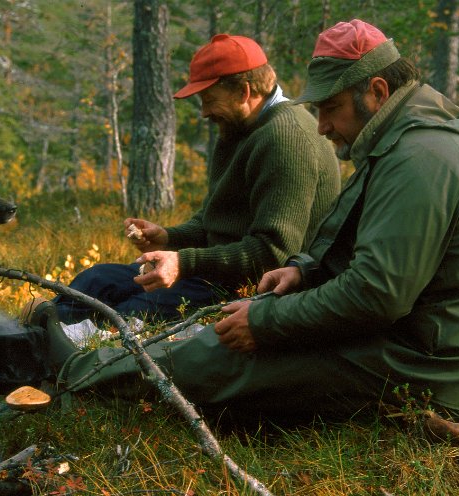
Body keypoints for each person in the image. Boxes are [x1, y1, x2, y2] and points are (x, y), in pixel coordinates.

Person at [35, 19, 459, 430]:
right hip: (434, 341)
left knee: (214, 359)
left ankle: (74, 369)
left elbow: (378, 293)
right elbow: (362, 244)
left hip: (431, 363)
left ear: (377, 92)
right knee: (212, 341)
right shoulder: (406, 145)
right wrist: (304, 273)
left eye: (331, 108)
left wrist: (266, 322)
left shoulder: (421, 159)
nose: (321, 126)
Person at [51, 34, 340, 324]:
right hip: (215, 274)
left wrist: (183, 263)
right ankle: (40, 330)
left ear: (244, 91)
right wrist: (168, 237)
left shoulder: (286, 139)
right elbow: (215, 221)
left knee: (128, 314)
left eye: (209, 100)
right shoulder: (240, 127)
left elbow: (272, 254)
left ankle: (45, 340)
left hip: (250, 290)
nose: (204, 113)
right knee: (96, 280)